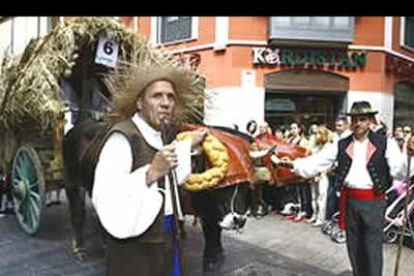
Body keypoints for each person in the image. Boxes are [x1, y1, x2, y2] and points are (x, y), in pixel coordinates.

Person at [91, 64, 206, 276]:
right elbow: (104, 195)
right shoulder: (122, 137)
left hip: (167, 233)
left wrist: (188, 144)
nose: (166, 103)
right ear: (140, 103)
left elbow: (170, 168)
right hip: (136, 245)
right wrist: (151, 173)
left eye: (170, 97)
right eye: (157, 96)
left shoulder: (160, 134)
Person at [279, 101, 414, 276]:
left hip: (374, 202)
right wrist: (294, 165)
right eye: (355, 119)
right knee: (354, 246)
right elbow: (318, 161)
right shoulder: (341, 144)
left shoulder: (385, 143)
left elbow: (401, 171)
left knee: (372, 248)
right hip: (350, 202)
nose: (358, 123)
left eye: (363, 119)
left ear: (371, 121)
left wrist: (410, 156)